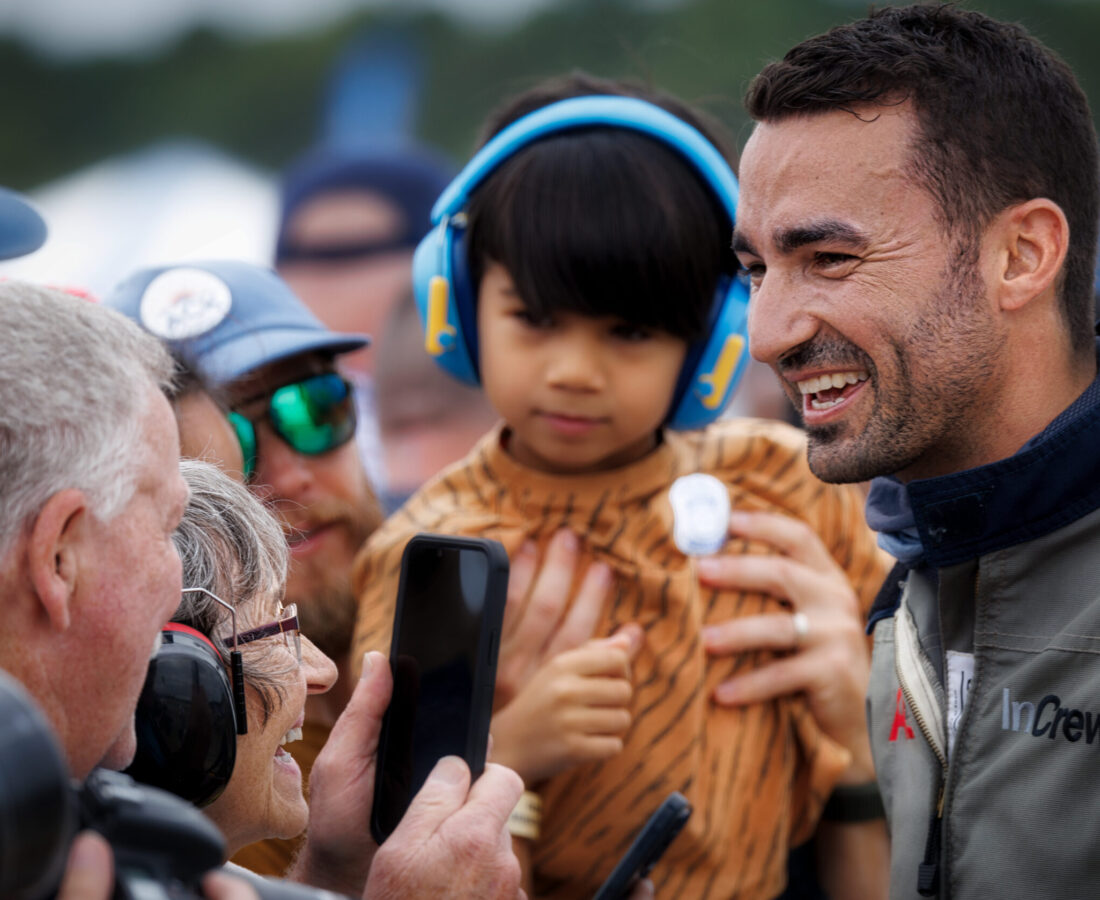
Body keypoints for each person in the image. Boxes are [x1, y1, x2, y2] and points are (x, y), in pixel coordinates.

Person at [351, 73, 890, 900]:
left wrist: (867, 728)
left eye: (630, 332)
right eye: (535, 318)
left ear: (712, 342)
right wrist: (508, 751)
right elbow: (396, 860)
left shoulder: (793, 487)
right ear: (456, 303)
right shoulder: (431, 553)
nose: (574, 372)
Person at [734, 5, 1100, 898]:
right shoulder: (895, 588)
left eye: (826, 257)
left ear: (1021, 254)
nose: (767, 332)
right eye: (754, 269)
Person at [276, 142, 495, 499]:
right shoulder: (264, 407)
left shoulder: (490, 377)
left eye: (355, 256)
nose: (325, 286)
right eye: (307, 259)